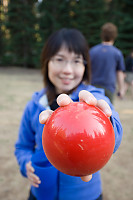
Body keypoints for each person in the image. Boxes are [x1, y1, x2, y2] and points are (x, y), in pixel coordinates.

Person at [15, 28, 123, 200]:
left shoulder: (90, 99)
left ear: (85, 66)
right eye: (59, 59)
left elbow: (113, 127)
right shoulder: (34, 105)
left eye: (76, 61)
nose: (67, 69)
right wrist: (25, 163)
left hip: (86, 195)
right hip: (41, 193)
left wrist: (106, 120)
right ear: (46, 62)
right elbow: (23, 146)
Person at [89, 22, 125, 103]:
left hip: (93, 87)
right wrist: (121, 89)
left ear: (102, 34)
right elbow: (119, 73)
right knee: (107, 113)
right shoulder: (117, 53)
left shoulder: (92, 51)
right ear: (114, 35)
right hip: (109, 88)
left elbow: (87, 69)